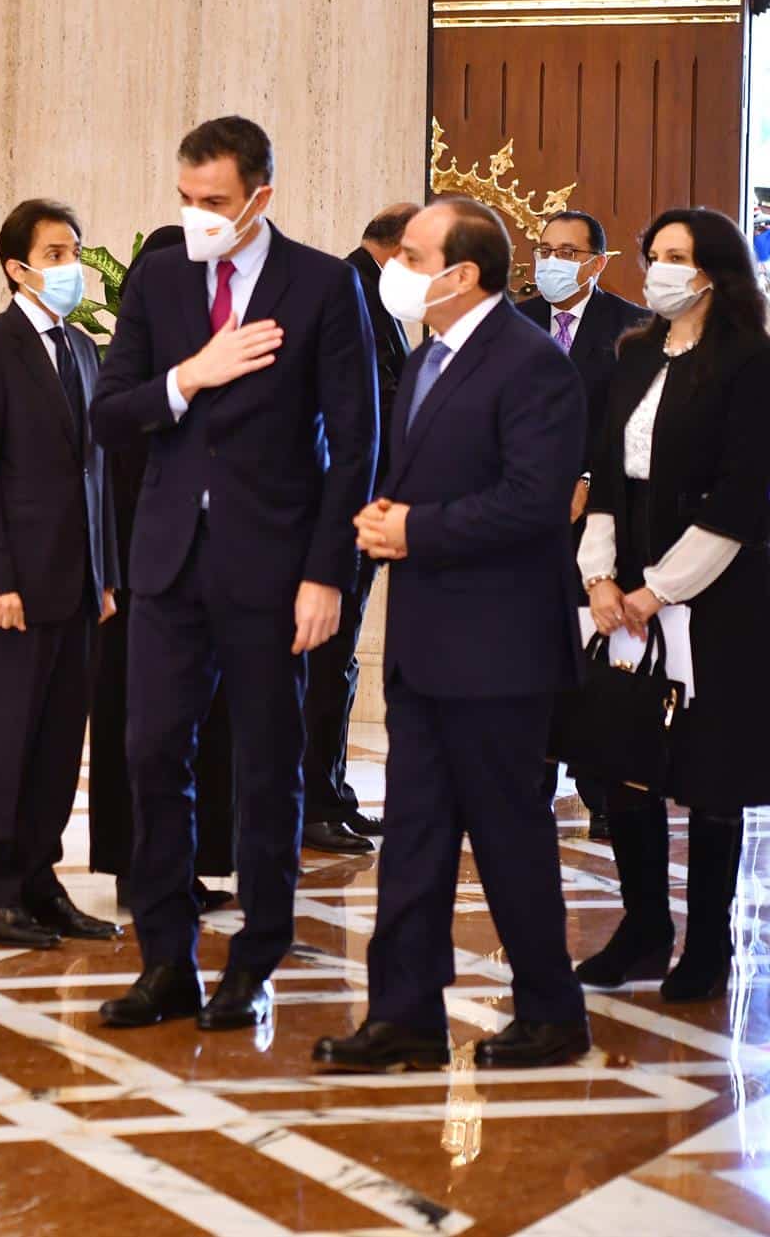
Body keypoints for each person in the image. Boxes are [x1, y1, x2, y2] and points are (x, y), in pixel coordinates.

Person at [90, 115, 377, 1034]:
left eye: (214, 202)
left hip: (276, 567)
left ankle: (255, 961)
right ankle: (166, 960)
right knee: (149, 755)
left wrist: (328, 574)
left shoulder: (324, 284)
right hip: (168, 564)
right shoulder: (162, 274)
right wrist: (191, 375)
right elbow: (111, 413)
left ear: (261, 196)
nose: (196, 216)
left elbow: (357, 440)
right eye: (185, 198)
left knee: (268, 765)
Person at [315, 197, 591, 1073]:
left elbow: (535, 500)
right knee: (416, 837)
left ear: (462, 272)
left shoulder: (531, 363)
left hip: (500, 651)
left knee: (509, 836)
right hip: (427, 645)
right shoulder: (431, 353)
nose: (397, 264)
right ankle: (403, 1014)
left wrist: (415, 530)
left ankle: (551, 1012)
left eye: (414, 252)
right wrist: (391, 513)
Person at [573, 208, 770, 1001]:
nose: (657, 269)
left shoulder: (752, 360)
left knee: (711, 771)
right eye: (653, 255)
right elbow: (605, 477)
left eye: (676, 256)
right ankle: (645, 924)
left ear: (714, 272)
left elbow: (742, 494)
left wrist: (662, 588)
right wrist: (600, 578)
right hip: (624, 587)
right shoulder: (634, 354)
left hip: (718, 589)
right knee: (623, 758)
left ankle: (709, 940)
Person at [0, 199, 121, 949]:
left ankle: (39, 881)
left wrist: (107, 574)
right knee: (6, 737)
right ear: (17, 266)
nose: (69, 265)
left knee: (58, 740)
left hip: (79, 582)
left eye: (74, 250)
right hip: (15, 584)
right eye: (54, 252)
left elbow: (99, 470)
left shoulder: (83, 348)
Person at [86, 226, 236, 916]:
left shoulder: (206, 377)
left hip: (201, 577)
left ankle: (181, 863)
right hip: (136, 583)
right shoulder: (134, 385)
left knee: (195, 733)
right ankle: (139, 868)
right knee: (137, 733)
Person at [519, 209, 647, 840]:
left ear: (597, 261)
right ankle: (531, 787)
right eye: (545, 248)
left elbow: (631, 426)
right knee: (530, 653)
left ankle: (601, 793)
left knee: (595, 658)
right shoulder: (512, 322)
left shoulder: (632, 328)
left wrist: (590, 483)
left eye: (568, 251)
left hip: (600, 521)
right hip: (521, 518)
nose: (552, 260)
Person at [302, 203, 420, 855]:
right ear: (401, 248)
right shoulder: (347, 288)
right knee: (324, 662)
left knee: (340, 663)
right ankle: (313, 799)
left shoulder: (377, 298)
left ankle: (334, 790)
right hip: (339, 511)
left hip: (369, 511)